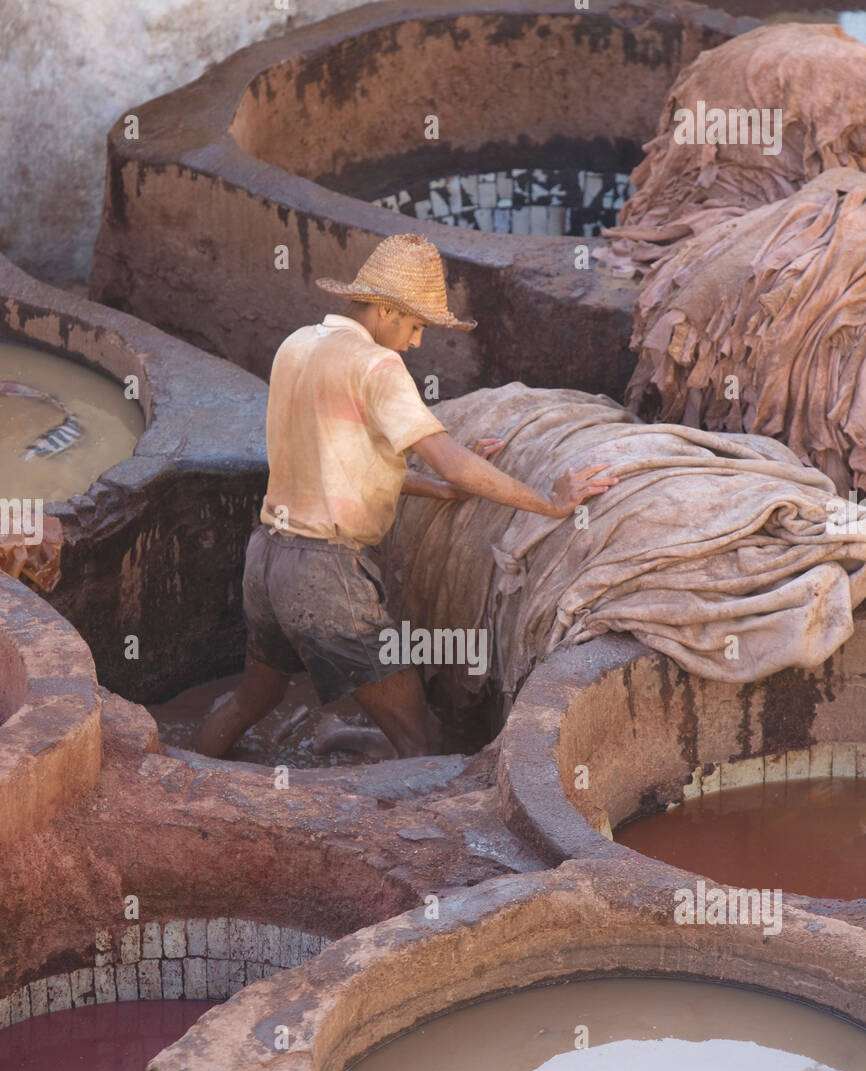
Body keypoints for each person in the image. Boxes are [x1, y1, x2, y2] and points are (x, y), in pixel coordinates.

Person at [197, 233, 618, 760]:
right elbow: (452, 458)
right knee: (420, 734)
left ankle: (181, 777)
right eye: (416, 325)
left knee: (249, 700)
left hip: (266, 557)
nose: (417, 342)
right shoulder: (377, 366)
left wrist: (442, 490)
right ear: (386, 309)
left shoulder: (297, 345)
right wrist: (551, 502)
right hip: (324, 576)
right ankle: (402, 836)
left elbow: (338, 465)